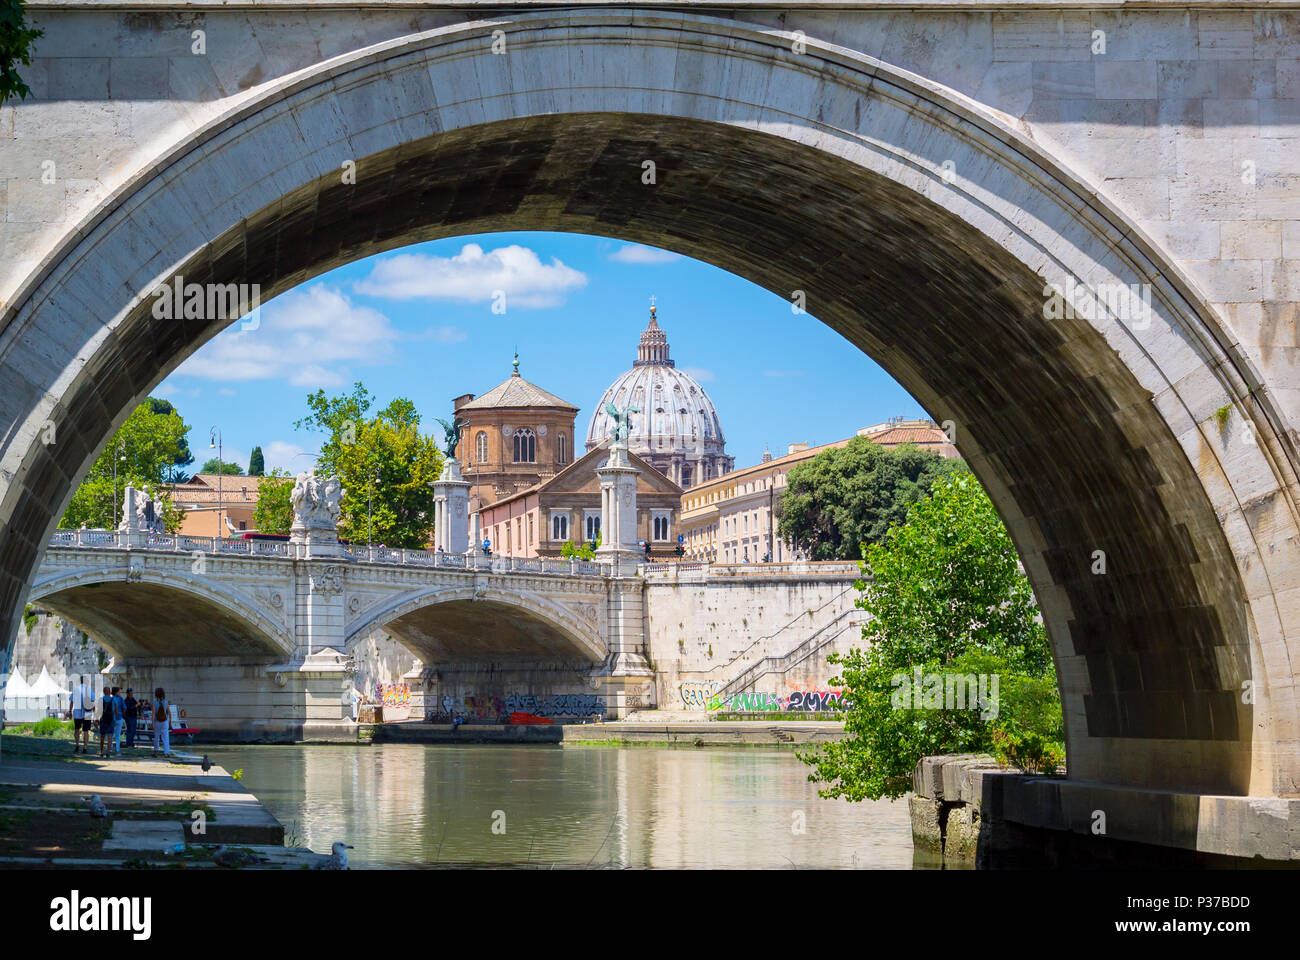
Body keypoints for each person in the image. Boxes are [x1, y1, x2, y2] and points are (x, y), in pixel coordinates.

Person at [69, 675, 95, 754]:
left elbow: (72, 702)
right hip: (87, 713)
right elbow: (93, 701)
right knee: (86, 731)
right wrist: (94, 713)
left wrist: (70, 711)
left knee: (77, 730)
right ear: (86, 681)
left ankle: (77, 745)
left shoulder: (75, 689)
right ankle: (85, 748)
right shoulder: (89, 689)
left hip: (77, 713)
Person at [152, 687, 170, 757]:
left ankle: (156, 753)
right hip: (164, 722)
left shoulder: (154, 703)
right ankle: (166, 753)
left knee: (156, 738)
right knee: (165, 738)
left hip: (157, 722)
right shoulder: (166, 702)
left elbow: (153, 714)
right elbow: (169, 712)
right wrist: (170, 721)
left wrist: (152, 724)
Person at [96, 684, 113, 757]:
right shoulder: (113, 699)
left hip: (103, 719)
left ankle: (101, 750)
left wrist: (96, 719)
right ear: (110, 692)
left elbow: (99, 710)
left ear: (103, 692)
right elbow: (115, 709)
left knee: (102, 736)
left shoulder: (100, 699)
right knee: (110, 736)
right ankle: (108, 751)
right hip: (111, 719)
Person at [110, 687, 125, 755]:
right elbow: (124, 708)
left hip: (111, 718)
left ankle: (109, 748)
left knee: (110, 734)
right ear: (116, 692)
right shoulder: (120, 698)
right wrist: (122, 714)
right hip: (119, 717)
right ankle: (117, 750)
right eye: (119, 691)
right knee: (117, 735)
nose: (120, 692)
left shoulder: (110, 698)